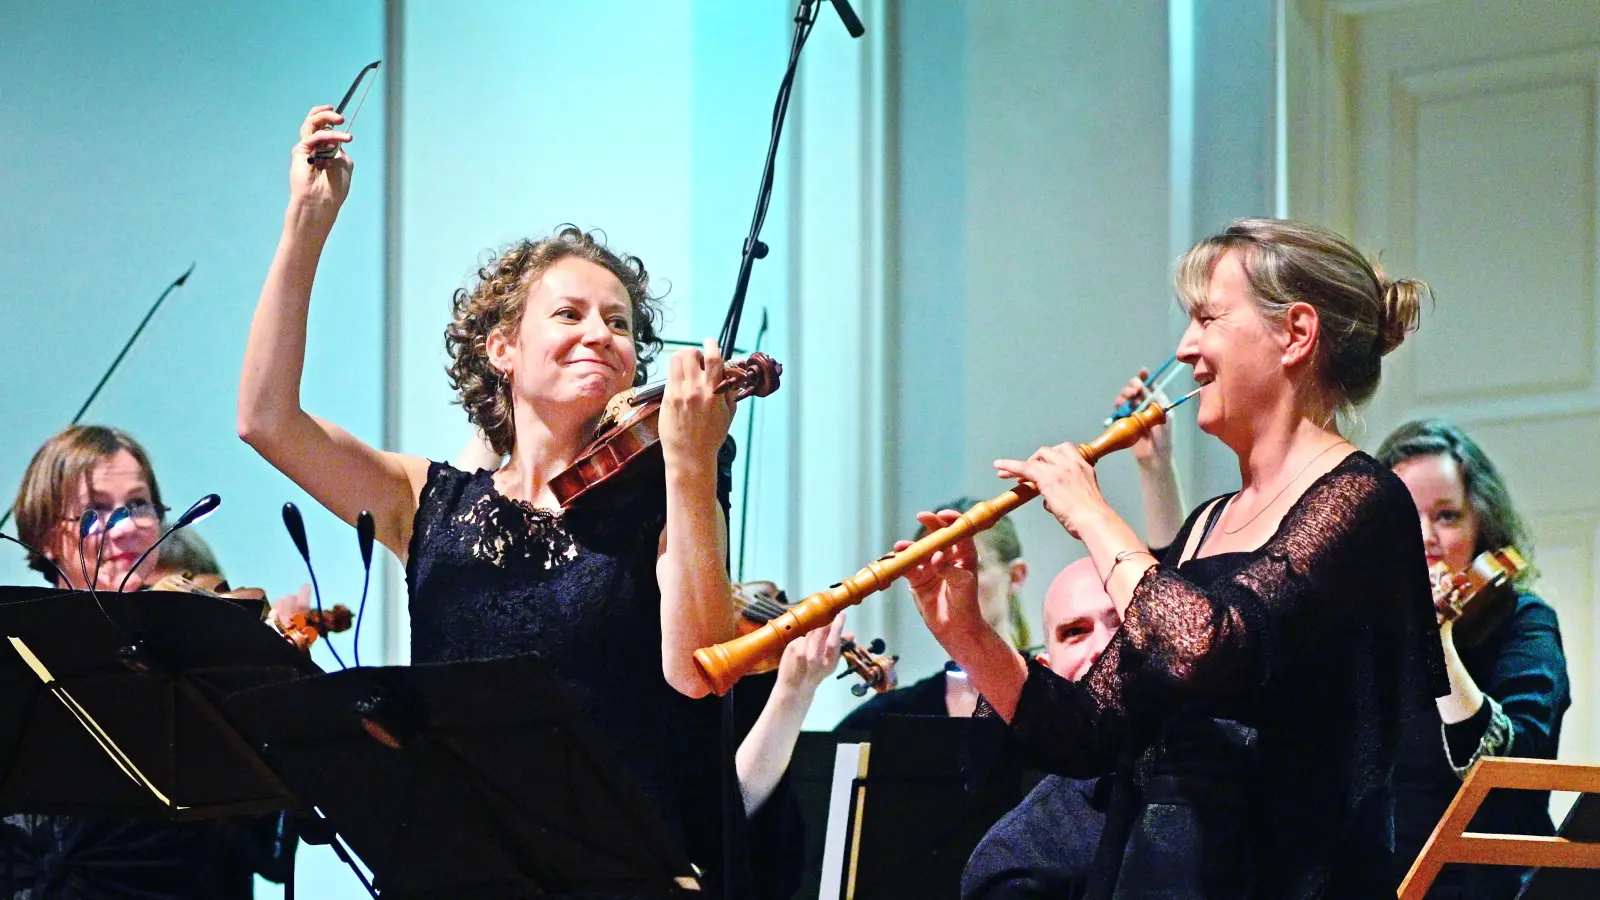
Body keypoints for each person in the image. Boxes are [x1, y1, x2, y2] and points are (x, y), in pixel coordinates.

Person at [238, 107, 742, 892]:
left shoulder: (668, 493)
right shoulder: (426, 500)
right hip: (454, 868)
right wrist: (305, 224)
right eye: (569, 314)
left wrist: (690, 465)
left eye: (620, 322)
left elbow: (699, 673)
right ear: (503, 349)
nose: (603, 334)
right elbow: (267, 420)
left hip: (613, 875)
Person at [899, 218, 1447, 898]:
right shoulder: (1205, 525)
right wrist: (969, 634)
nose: (1187, 349)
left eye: (1208, 318)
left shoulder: (1363, 499)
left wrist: (1094, 516)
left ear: (1296, 334)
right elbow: (1085, 735)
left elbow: (1210, 649)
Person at [1, 425, 293, 898]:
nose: (127, 526)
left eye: (139, 504)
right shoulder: (14, 650)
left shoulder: (205, 643)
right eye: (94, 510)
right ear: (45, 534)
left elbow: (262, 839)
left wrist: (270, 694)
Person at [1377, 420, 1569, 899]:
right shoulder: (1363, 632)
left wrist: (1438, 638)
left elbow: (1506, 768)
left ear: (1480, 523)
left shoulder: (1524, 623)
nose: (1425, 537)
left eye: (1446, 516)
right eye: (1404, 517)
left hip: (1491, 888)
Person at [961, 557, 1120, 900]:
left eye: (1123, 621)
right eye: (1075, 632)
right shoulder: (1021, 858)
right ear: (1047, 671)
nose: (1103, 647)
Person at [835, 499, 1028, 730]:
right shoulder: (895, 714)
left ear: (1015, 576)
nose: (953, 584)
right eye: (935, 569)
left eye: (971, 566)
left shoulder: (1062, 693)